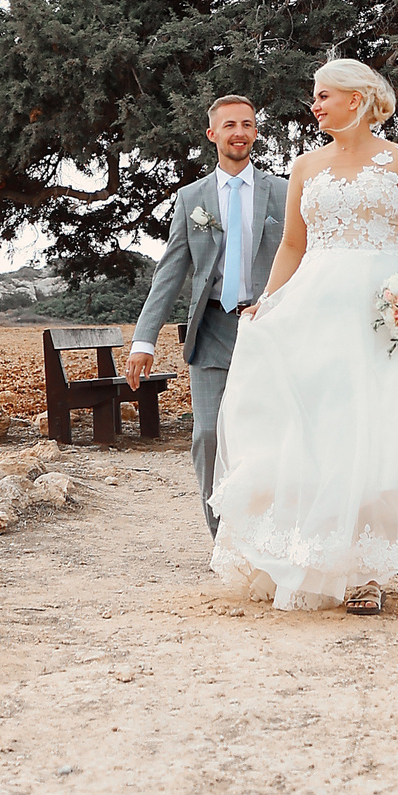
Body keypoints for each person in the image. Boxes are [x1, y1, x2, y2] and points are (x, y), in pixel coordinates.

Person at [209, 57, 398, 613]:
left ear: (355, 99)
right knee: (316, 431)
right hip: (314, 309)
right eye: (315, 96)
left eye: (323, 95)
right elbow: (293, 245)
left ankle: (365, 573)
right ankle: (304, 555)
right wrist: (269, 302)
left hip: (379, 314)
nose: (314, 104)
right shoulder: (305, 166)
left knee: (374, 434)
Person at [125, 93, 288, 539]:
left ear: (256, 133)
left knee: (271, 433)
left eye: (248, 124)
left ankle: (271, 533)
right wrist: (144, 340)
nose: (240, 132)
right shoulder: (190, 198)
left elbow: (303, 257)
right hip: (212, 329)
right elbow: (169, 273)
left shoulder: (283, 191)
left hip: (270, 330)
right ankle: (223, 540)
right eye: (230, 125)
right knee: (208, 435)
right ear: (212, 133)